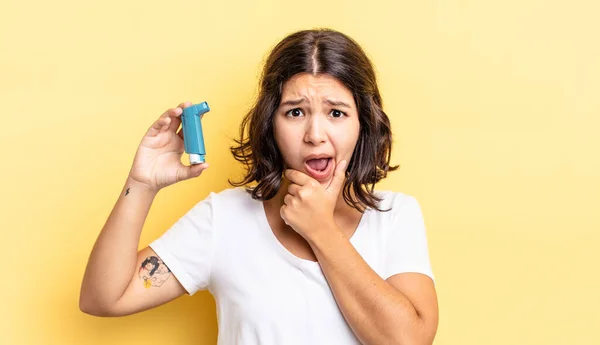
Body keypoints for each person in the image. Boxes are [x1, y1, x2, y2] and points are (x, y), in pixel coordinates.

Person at [80, 28, 439, 345]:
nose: (315, 135)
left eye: (336, 113)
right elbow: (104, 298)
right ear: (271, 123)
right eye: (295, 112)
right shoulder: (224, 218)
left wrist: (322, 230)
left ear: (363, 124)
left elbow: (408, 340)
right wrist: (141, 184)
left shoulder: (393, 215)